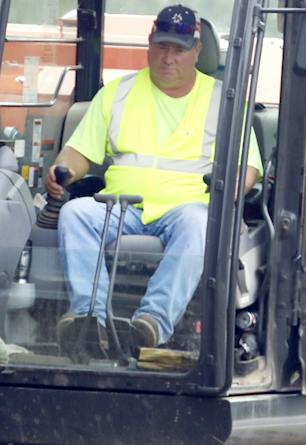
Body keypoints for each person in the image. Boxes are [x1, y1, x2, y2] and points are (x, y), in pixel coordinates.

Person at [46, 4, 262, 351]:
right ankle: (90, 320)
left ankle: (151, 323)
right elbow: (79, 152)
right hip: (121, 208)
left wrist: (235, 186)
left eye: (178, 49)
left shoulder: (224, 101)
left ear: (197, 50)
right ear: (149, 44)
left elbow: (246, 167)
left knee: (198, 224)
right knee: (76, 213)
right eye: (161, 46)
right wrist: (64, 170)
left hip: (188, 210)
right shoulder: (118, 93)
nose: (168, 57)